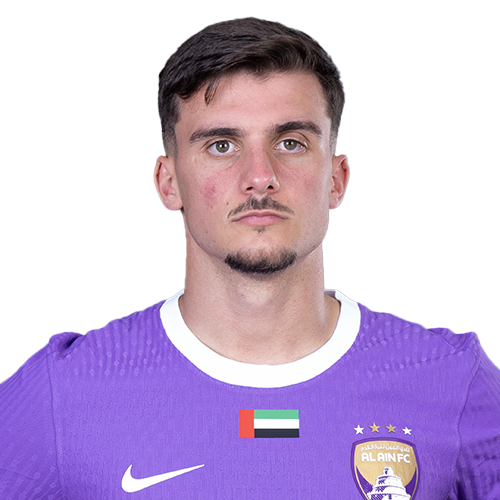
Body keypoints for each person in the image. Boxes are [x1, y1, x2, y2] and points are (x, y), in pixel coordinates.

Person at [1, 17, 499, 499]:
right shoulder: (62, 394)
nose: (260, 176)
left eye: (291, 143)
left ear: (337, 178)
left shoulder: (453, 380)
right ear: (168, 183)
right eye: (222, 145)